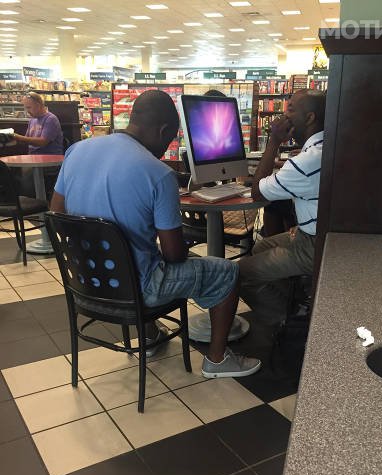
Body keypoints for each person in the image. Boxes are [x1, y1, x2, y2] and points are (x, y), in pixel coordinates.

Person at [50, 89, 261, 379]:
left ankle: (150, 337)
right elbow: (174, 255)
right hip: (138, 289)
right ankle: (217, 359)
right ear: (163, 130)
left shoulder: (77, 151)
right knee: (227, 272)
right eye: (170, 139)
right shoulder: (158, 173)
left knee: (139, 258)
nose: (166, 147)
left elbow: (56, 214)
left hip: (85, 281)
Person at [239, 89, 326, 326]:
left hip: (313, 245)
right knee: (261, 247)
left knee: (239, 273)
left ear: (309, 118)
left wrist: (274, 141)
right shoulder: (323, 148)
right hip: (316, 235)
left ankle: (288, 322)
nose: (284, 117)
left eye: (290, 110)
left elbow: (258, 192)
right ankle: (293, 304)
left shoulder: (306, 162)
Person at [13, 92, 64, 199]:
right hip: (33, 160)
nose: (27, 111)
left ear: (38, 105)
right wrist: (10, 138)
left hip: (48, 162)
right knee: (13, 173)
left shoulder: (50, 119)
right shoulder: (32, 120)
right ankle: (32, 202)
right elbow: (27, 140)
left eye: (29, 107)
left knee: (23, 177)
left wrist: (18, 137)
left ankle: (36, 203)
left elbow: (42, 142)